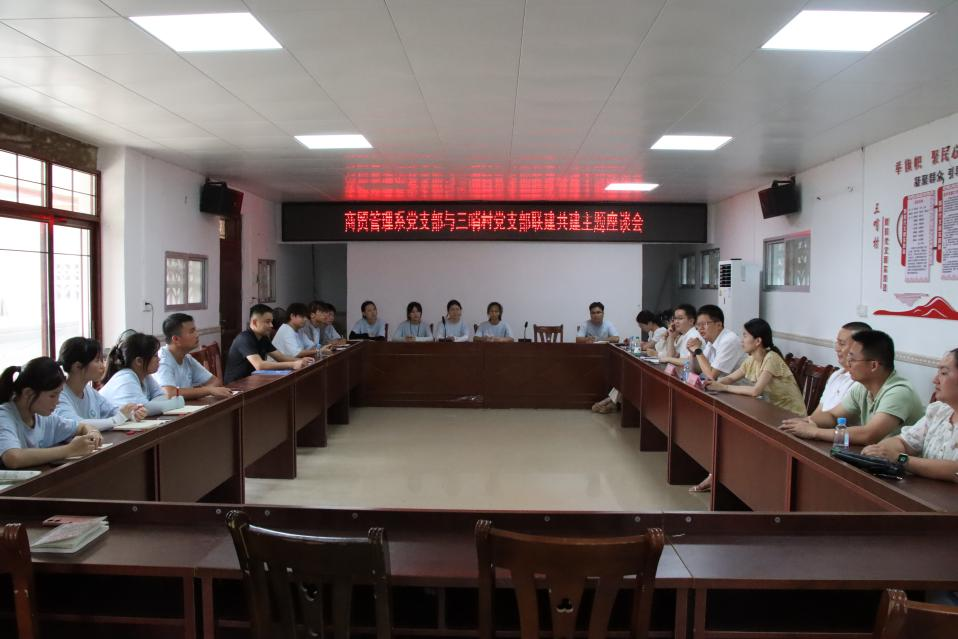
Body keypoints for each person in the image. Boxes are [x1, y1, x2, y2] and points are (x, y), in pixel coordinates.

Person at [695, 318, 805, 493]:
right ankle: (720, 476)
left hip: (789, 416)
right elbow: (731, 378)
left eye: (745, 336)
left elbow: (755, 391)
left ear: (758, 340)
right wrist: (712, 383)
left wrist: (723, 387)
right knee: (732, 430)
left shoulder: (771, 358)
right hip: (769, 412)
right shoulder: (751, 359)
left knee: (737, 434)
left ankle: (722, 478)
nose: (742, 340)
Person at [779, 330, 924, 445]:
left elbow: (869, 435)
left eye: (852, 360)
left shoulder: (899, 392)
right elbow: (833, 416)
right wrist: (807, 422)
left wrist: (814, 432)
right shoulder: (862, 388)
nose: (848, 364)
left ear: (874, 365)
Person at [862, 349, 958, 482]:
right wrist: (881, 451)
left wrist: (901, 459)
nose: (935, 380)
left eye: (943, 373)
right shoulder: (938, 411)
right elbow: (903, 442)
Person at [0, 356, 103, 469]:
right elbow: (13, 458)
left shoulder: (43, 418)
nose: (57, 401)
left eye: (59, 394)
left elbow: (82, 427)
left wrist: (93, 433)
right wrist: (70, 450)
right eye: (52, 395)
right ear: (28, 393)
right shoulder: (4, 415)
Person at [55, 336, 144, 431]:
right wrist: (118, 418)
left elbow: (112, 411)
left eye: (102, 360)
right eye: (97, 361)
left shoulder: (88, 390)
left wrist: (132, 413)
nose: (102, 366)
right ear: (77, 366)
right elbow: (77, 424)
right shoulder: (58, 396)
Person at [224, 304, 315, 384]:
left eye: (271, 321)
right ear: (255, 322)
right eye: (267, 322)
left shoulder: (263, 338)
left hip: (253, 380)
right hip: (237, 385)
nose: (271, 325)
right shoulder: (244, 338)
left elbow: (281, 357)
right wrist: (293, 364)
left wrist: (301, 360)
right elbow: (259, 365)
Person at [101, 332, 186, 416]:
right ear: (139, 361)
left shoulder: (145, 376)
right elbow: (144, 409)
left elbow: (161, 396)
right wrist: (175, 403)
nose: (159, 359)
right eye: (155, 356)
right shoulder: (126, 378)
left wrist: (153, 406)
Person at [155, 313, 233, 400]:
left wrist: (205, 391)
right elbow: (169, 393)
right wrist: (208, 390)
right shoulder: (161, 360)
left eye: (195, 330)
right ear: (176, 339)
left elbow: (215, 382)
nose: (197, 335)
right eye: (192, 331)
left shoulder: (187, 358)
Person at [688, 304, 745, 380]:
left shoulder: (729, 340)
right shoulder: (711, 341)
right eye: (698, 325)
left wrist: (698, 350)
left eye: (704, 324)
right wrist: (693, 354)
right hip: (720, 386)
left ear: (719, 325)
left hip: (736, 387)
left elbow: (711, 376)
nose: (700, 328)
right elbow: (697, 371)